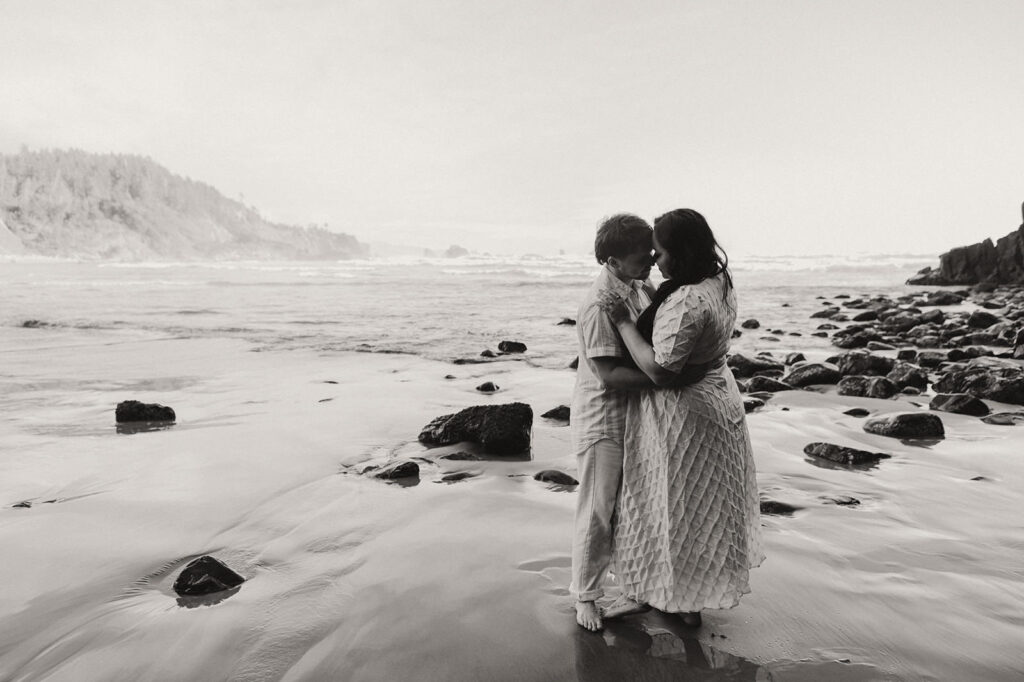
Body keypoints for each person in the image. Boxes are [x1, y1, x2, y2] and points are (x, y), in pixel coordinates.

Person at [597, 208, 764, 628]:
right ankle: (685, 599)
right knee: (699, 509)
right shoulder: (717, 279)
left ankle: (669, 598)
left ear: (681, 251)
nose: (654, 259)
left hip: (684, 416)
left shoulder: (688, 298)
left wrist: (621, 319)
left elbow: (658, 369)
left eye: (659, 251)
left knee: (668, 504)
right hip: (718, 400)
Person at [570, 214, 711, 632]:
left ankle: (637, 586)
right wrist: (667, 381)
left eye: (652, 251)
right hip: (604, 420)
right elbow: (608, 375)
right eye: (641, 256)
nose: (651, 259)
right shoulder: (598, 305)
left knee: (633, 508)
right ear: (613, 261)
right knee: (598, 510)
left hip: (635, 417)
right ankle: (585, 595)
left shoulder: (637, 286)